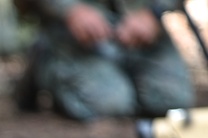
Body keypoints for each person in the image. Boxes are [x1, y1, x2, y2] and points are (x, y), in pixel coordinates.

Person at [15, 0, 194, 121]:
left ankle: (123, 76)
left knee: (172, 102)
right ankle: (44, 61)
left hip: (143, 27)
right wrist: (70, 10)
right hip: (73, 32)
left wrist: (153, 13)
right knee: (110, 106)